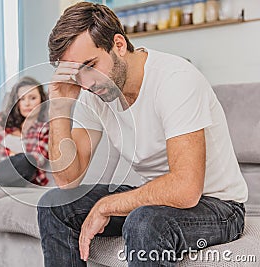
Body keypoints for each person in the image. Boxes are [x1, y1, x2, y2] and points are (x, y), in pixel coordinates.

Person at [37, 2, 248, 266]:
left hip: (219, 206)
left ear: (119, 45)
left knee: (145, 222)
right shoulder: (94, 92)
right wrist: (59, 106)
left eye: (90, 64)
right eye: (76, 74)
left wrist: (106, 205)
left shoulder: (175, 79)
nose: (86, 82)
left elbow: (185, 189)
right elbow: (67, 181)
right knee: (54, 205)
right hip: (158, 199)